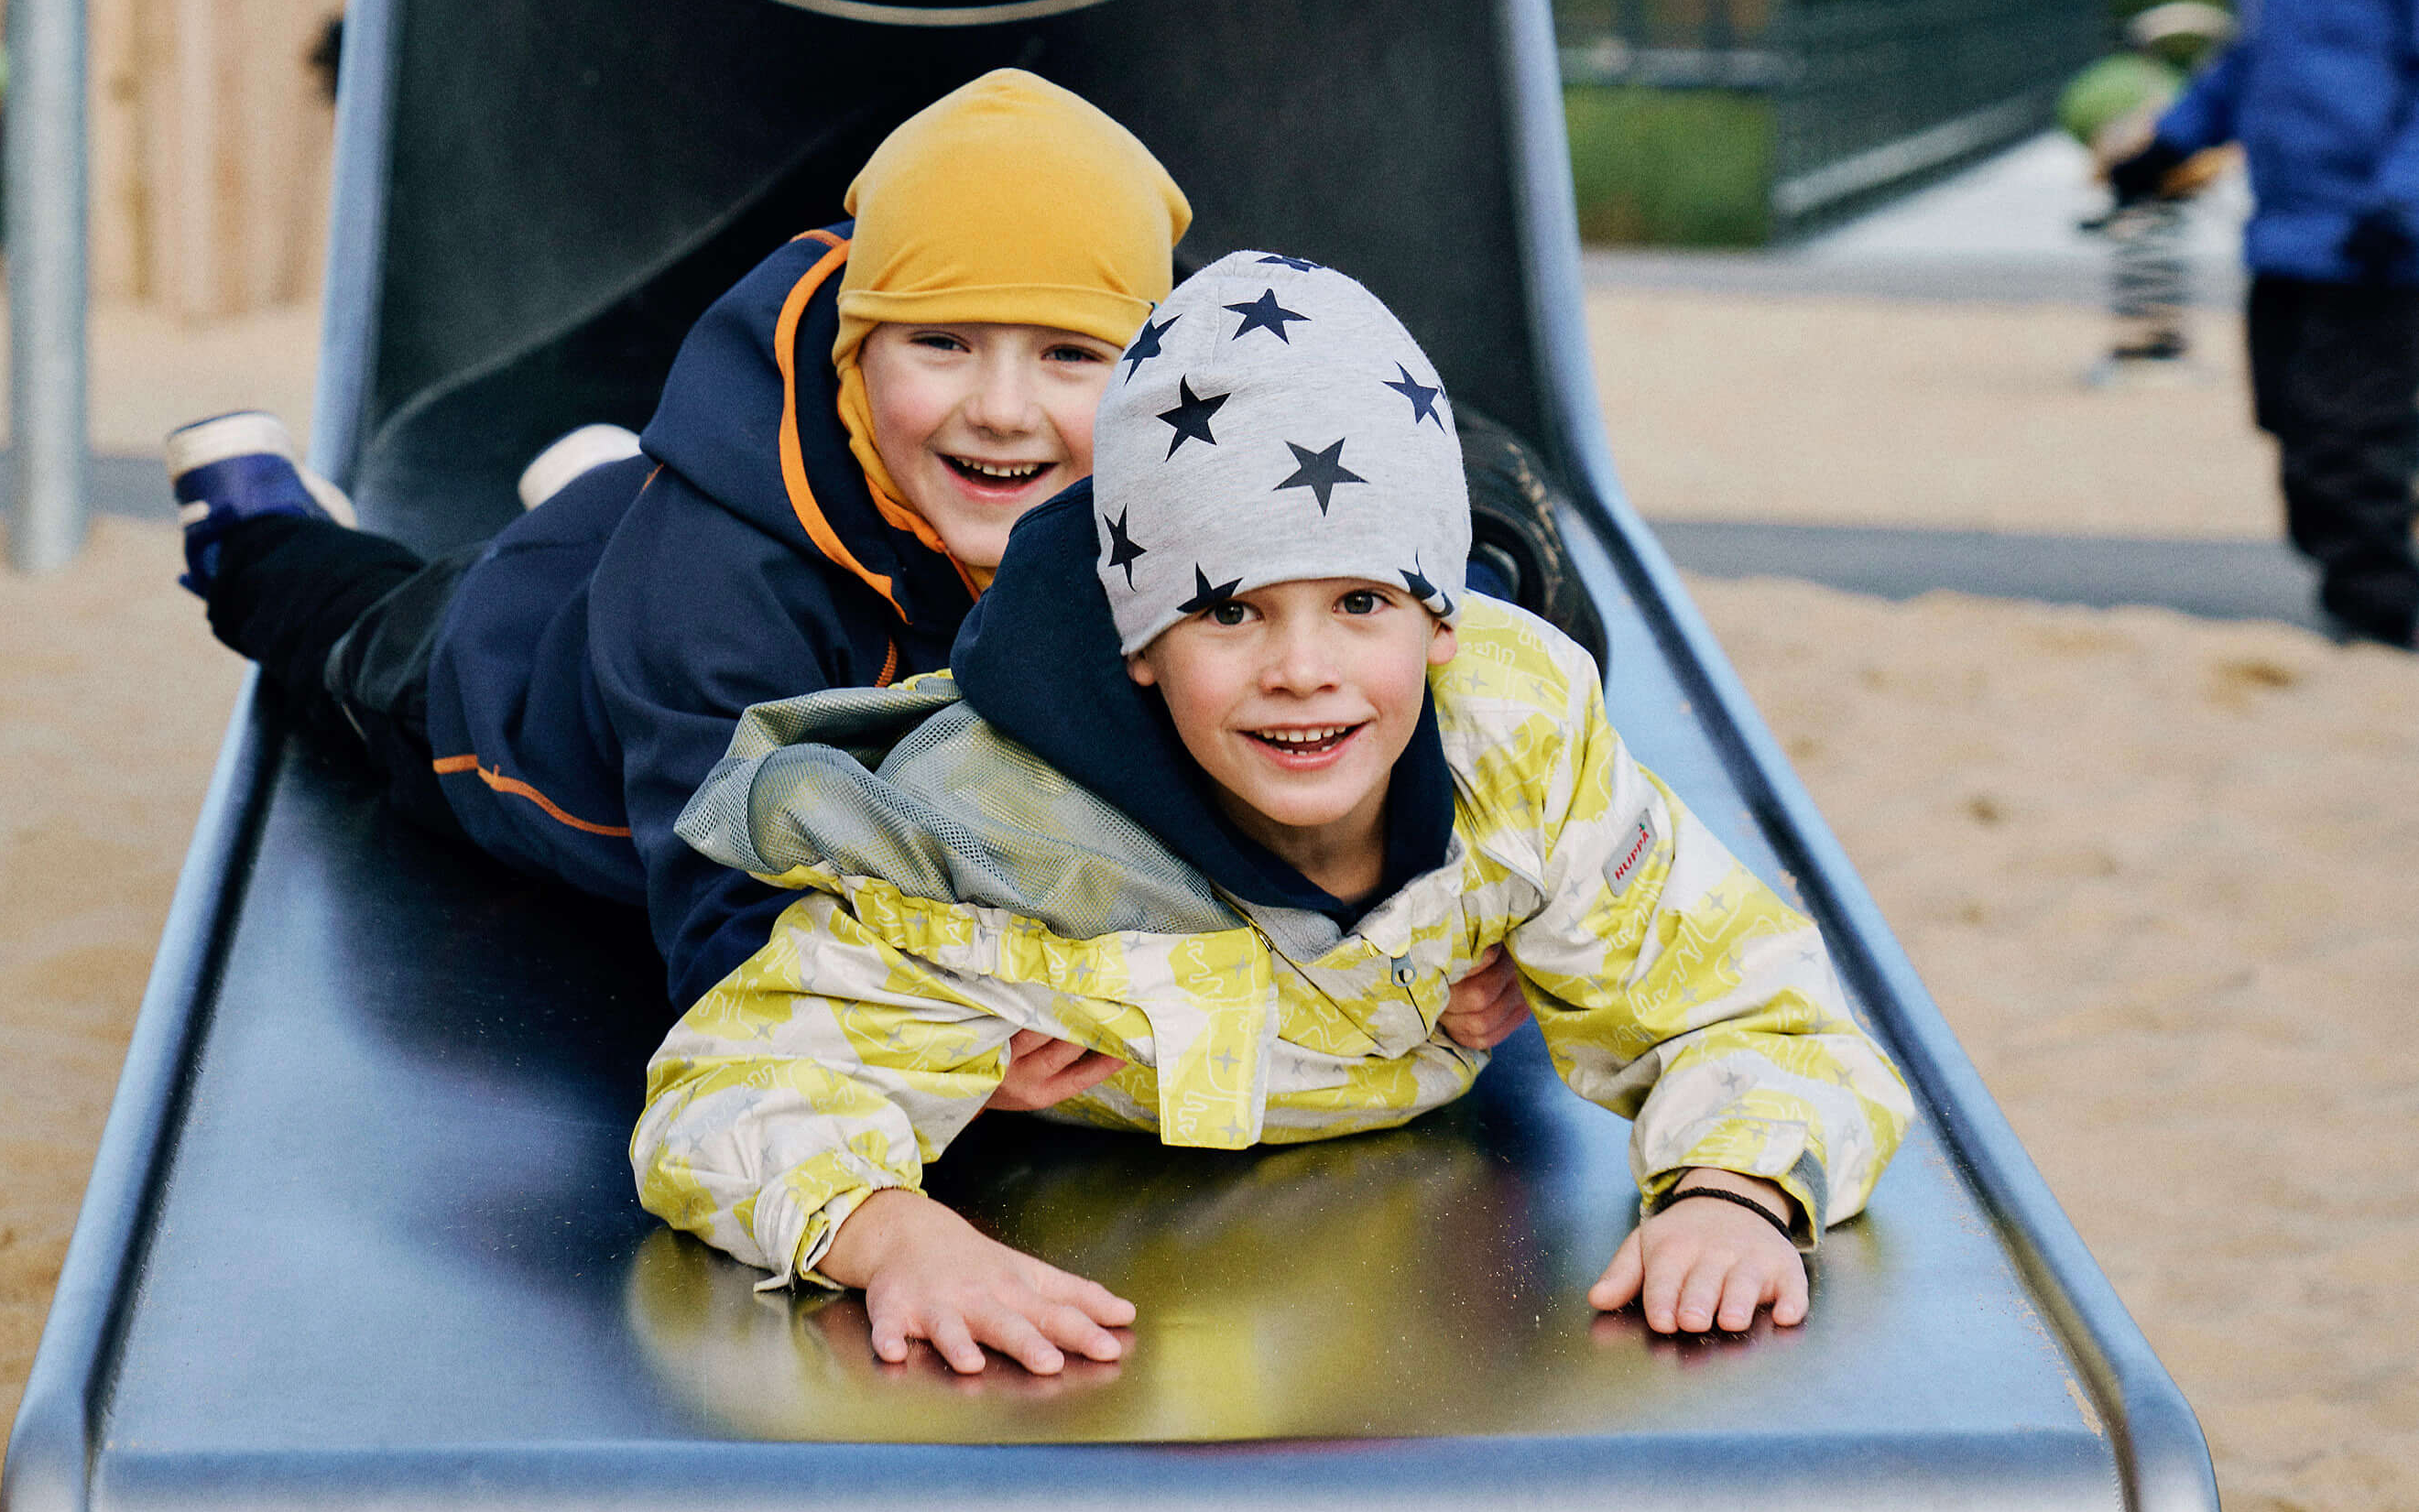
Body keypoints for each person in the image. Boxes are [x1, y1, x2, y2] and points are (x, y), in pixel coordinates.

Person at [634, 251, 1910, 1370]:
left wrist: (1732, 1192)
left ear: (1438, 619)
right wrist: (894, 1239)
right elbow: (724, 1089)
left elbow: (1756, 1006)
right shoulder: (996, 839)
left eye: (1359, 601)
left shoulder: (1516, 750)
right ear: (1142, 640)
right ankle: (594, 484)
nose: (1301, 669)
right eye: (1229, 610)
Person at [173, 71, 1525, 1061]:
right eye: (941, 344)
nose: (1001, 409)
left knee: (633, 525)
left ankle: (602, 483)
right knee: (355, 634)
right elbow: (724, 907)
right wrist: (930, 1044)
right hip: (510, 694)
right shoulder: (717, 595)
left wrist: (1462, 916)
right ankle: (254, 524)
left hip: (677, 563)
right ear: (851, 350)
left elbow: (1386, 638)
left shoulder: (1159, 467)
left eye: (1069, 355)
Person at [2104, 0, 2419, 649]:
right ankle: (2354, 592)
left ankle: (2381, 623)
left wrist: (2400, 204)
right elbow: (2250, 60)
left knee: (2348, 439)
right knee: (2291, 420)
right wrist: (2169, 142)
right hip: (2287, 232)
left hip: (2378, 243)